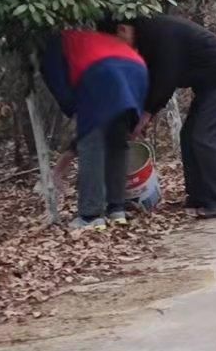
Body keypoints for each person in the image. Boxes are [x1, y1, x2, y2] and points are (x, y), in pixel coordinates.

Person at [114, 15, 216, 219]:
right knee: (188, 136)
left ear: (122, 30)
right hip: (208, 83)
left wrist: (148, 114)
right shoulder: (149, 37)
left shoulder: (160, 34)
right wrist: (143, 114)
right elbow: (153, 80)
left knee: (205, 138)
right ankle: (199, 197)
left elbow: (166, 79)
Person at [38, 28, 149, 231]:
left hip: (102, 72)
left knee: (92, 142)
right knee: (117, 142)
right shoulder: (83, 37)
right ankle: (116, 209)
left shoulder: (53, 44)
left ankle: (90, 215)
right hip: (137, 70)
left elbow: (58, 82)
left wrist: (73, 108)